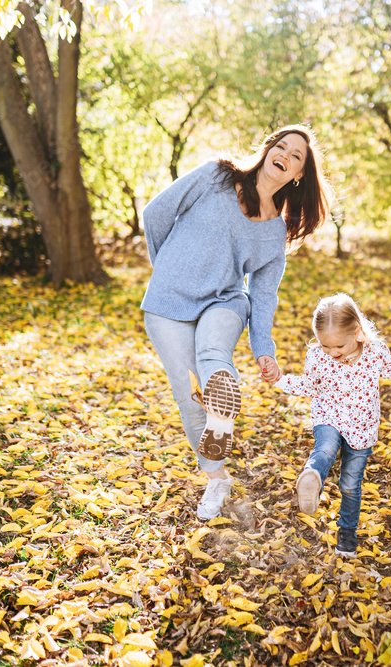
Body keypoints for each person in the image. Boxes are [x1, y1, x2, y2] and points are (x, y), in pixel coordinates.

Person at [141, 124, 333, 520]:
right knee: (188, 392)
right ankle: (217, 479)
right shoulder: (217, 175)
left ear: (298, 175)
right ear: (267, 151)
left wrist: (264, 350)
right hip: (166, 304)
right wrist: (166, 270)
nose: (286, 155)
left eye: (297, 156)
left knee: (213, 353)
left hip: (223, 301)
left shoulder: (274, 234)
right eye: (281, 147)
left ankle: (222, 411)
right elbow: (156, 212)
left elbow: (262, 295)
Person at [273, 293, 391, 557]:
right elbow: (309, 386)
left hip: (362, 428)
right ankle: (312, 478)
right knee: (325, 449)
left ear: (357, 333)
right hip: (328, 416)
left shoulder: (374, 352)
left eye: (338, 347)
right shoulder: (317, 357)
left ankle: (346, 532)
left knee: (349, 485)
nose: (331, 353)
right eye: (325, 346)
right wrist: (279, 379)